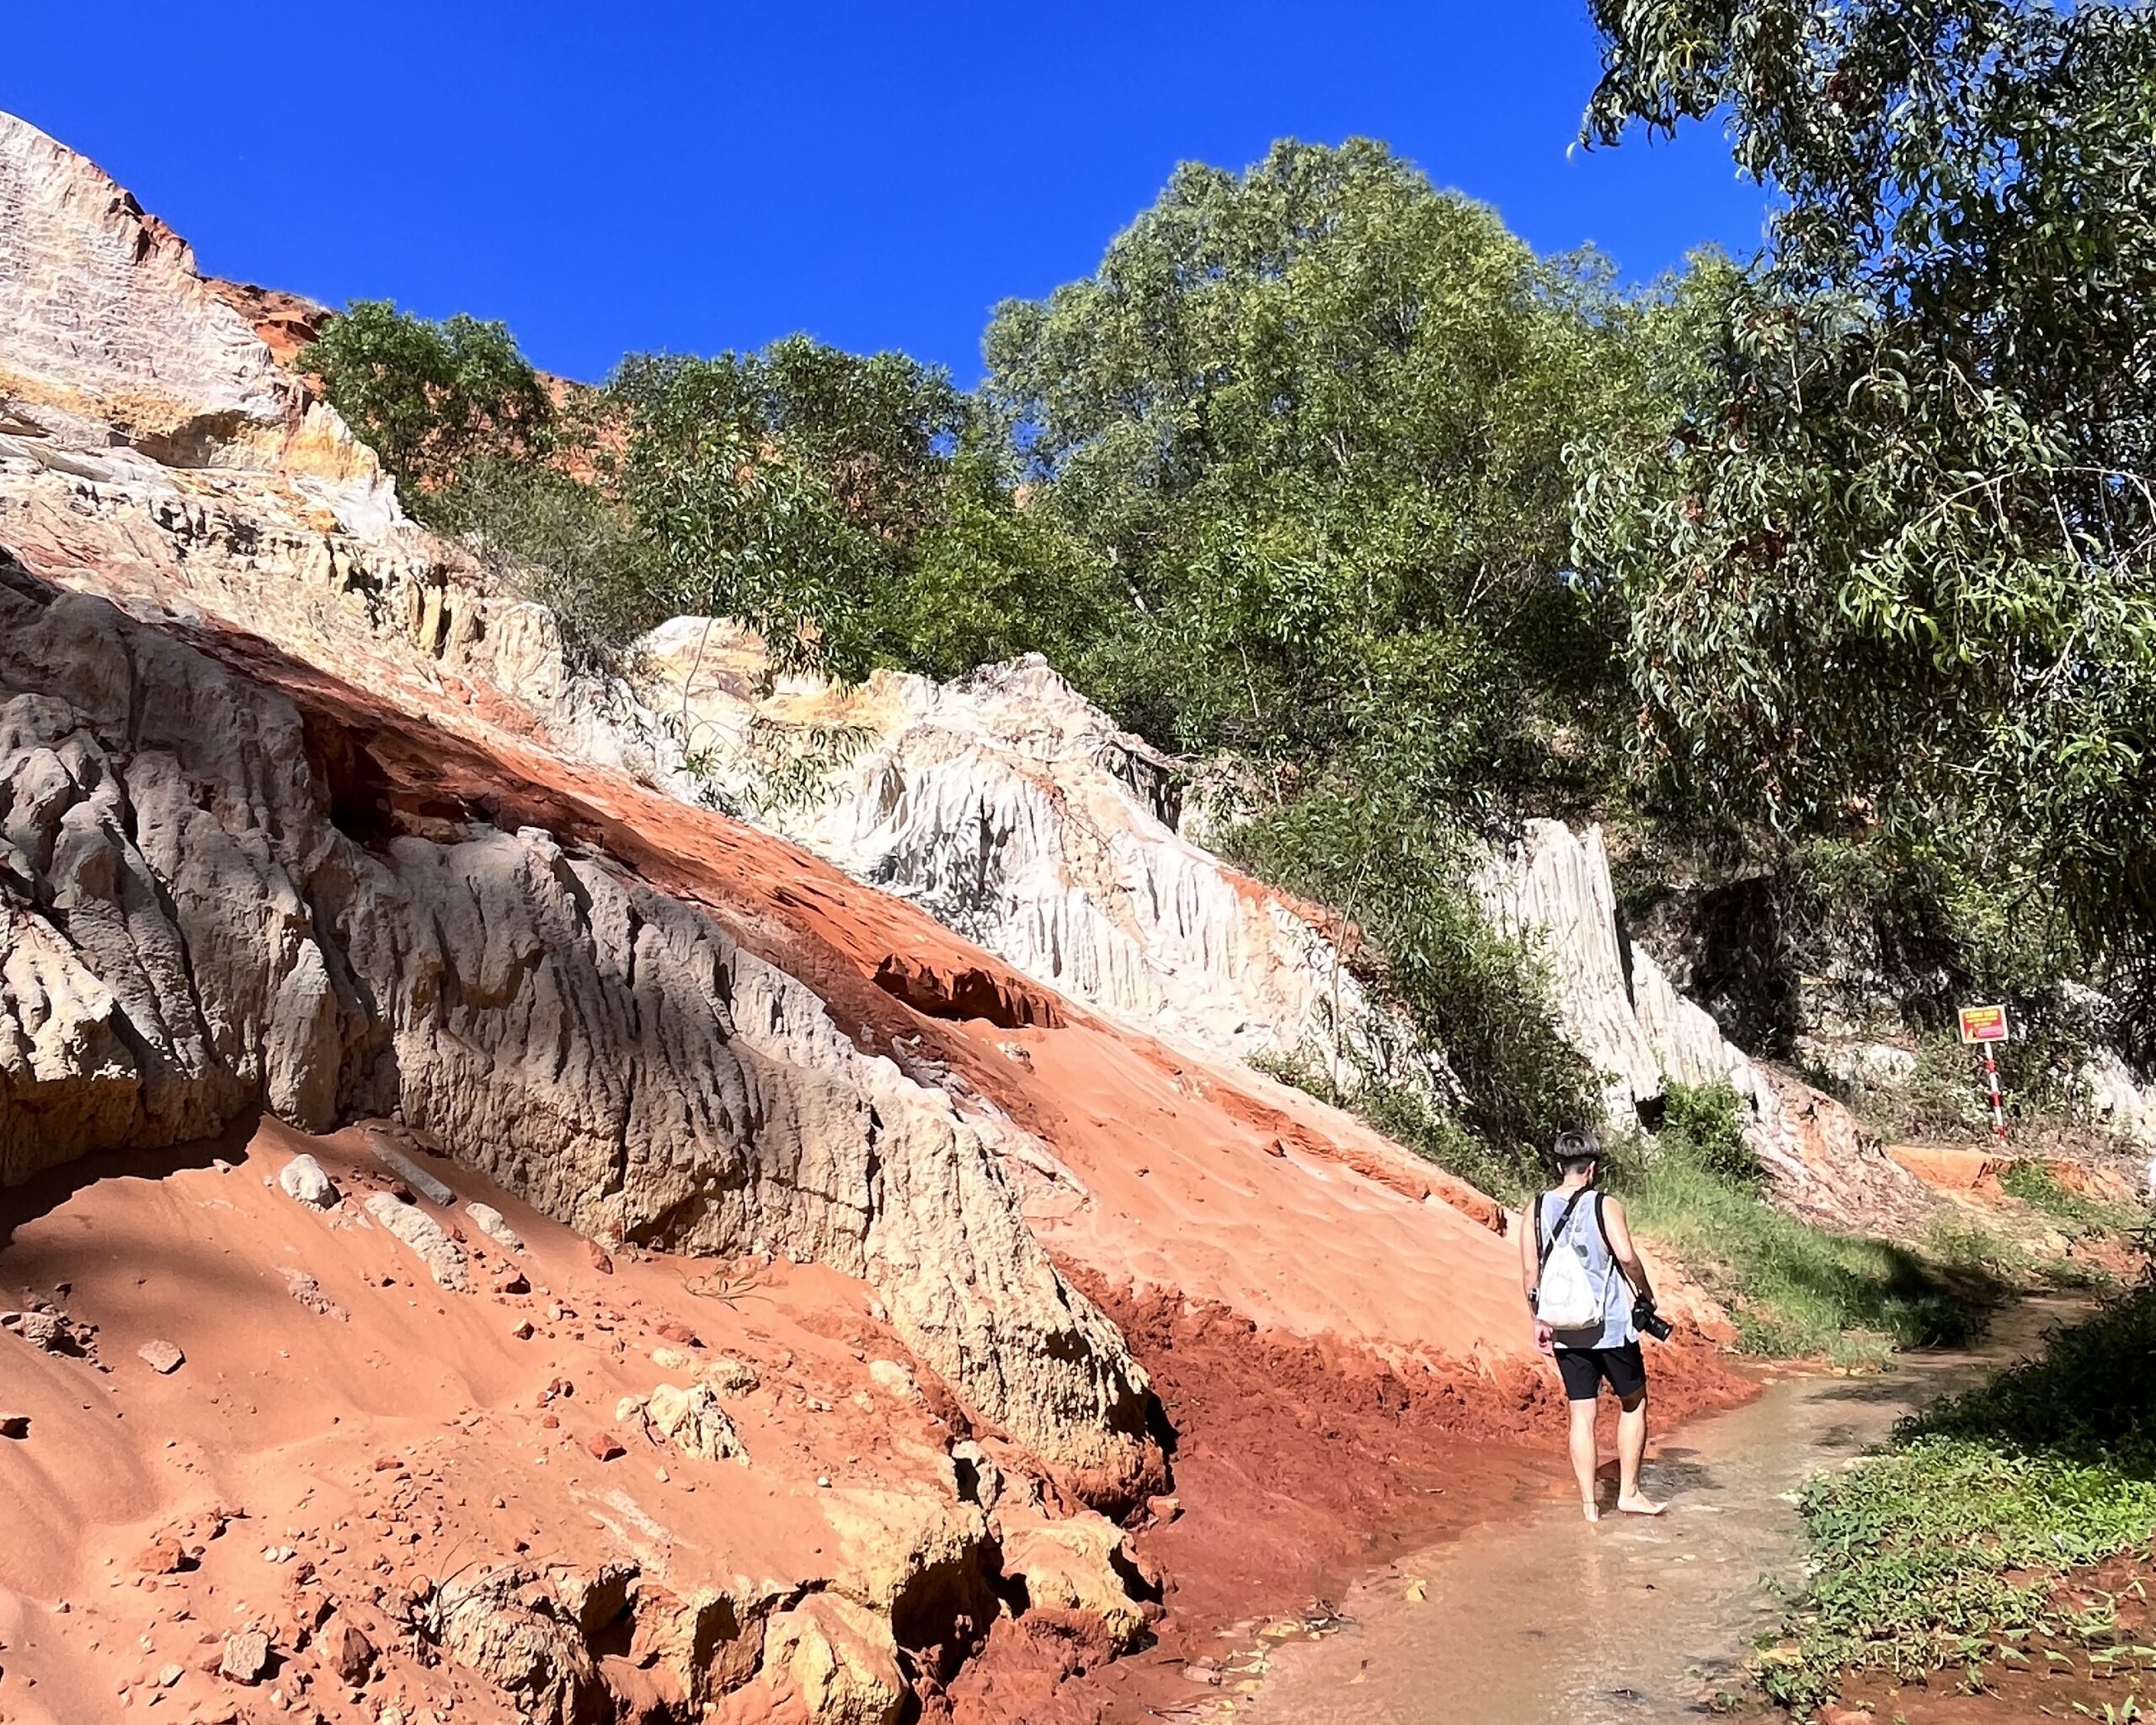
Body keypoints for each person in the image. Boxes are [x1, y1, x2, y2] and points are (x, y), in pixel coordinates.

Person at [1518, 1129, 1665, 1522]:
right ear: (1594, 1168)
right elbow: (1628, 1257)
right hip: (1612, 1326)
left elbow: (1531, 1271)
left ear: (1559, 1165)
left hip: (1565, 1326)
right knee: (1634, 1402)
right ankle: (1629, 1494)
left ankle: (1589, 1507)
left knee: (1582, 1413)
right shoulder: (1605, 1204)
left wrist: (1538, 1320)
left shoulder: (1534, 1209)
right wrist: (1647, 1294)